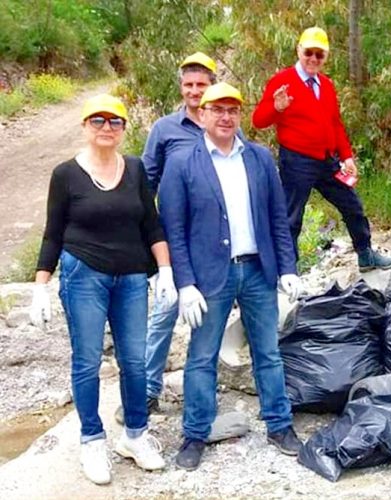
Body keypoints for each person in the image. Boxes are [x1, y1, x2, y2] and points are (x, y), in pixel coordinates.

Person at [28, 94, 174, 484]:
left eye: (115, 121)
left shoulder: (136, 168)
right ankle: (92, 440)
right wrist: (40, 287)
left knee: (135, 360)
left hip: (131, 278)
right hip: (83, 275)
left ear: (124, 129)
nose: (107, 127)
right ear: (84, 126)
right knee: (88, 360)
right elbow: (52, 233)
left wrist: (166, 271)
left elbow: (152, 225)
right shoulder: (65, 174)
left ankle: (135, 436)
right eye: (98, 120)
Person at [158, 82, 304, 470]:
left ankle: (279, 425)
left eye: (232, 110)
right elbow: (174, 227)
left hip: (257, 270)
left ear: (240, 115)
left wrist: (287, 268)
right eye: (217, 110)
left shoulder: (258, 159)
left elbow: (278, 219)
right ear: (202, 115)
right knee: (202, 356)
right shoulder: (183, 162)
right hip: (210, 277)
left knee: (268, 352)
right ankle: (195, 433)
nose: (225, 117)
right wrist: (184, 283)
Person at [118, 52, 217, 423]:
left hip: (214, 240)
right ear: (182, 88)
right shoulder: (165, 129)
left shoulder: (224, 123)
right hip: (173, 237)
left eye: (201, 85)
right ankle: (147, 392)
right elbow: (145, 184)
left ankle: (203, 393)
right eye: (189, 85)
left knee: (211, 312)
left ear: (210, 86)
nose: (195, 91)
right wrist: (140, 231)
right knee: (164, 312)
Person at [251, 26, 391, 270]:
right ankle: (287, 272)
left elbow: (335, 124)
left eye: (319, 55)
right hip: (296, 161)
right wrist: (276, 108)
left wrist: (347, 156)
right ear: (299, 50)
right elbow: (258, 120)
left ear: (326, 57)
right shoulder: (282, 82)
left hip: (326, 160)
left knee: (353, 205)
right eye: (309, 52)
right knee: (291, 218)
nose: (313, 59)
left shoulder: (326, 86)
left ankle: (366, 255)